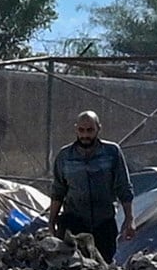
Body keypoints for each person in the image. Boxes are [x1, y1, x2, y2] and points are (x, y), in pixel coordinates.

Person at [48, 111, 132, 260]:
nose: (85, 135)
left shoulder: (111, 153)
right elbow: (58, 191)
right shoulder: (65, 156)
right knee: (75, 267)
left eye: (90, 130)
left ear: (98, 128)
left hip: (104, 223)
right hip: (74, 222)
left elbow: (123, 187)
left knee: (104, 267)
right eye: (81, 130)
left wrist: (129, 219)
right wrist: (52, 221)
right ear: (76, 129)